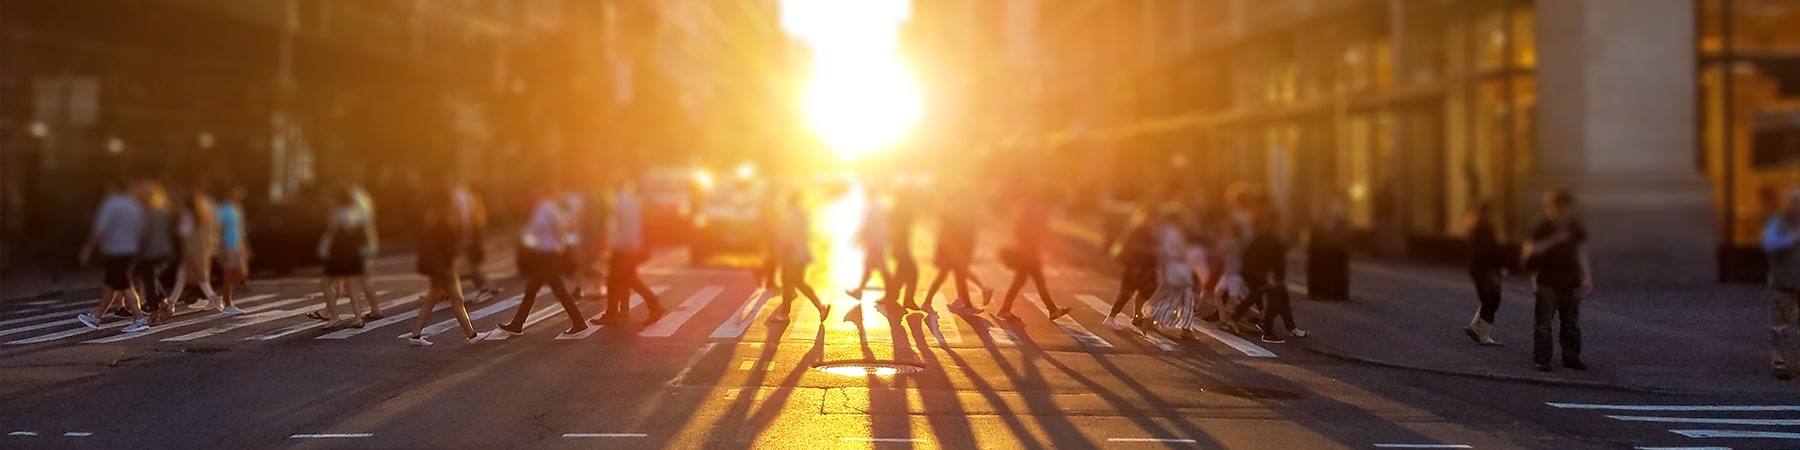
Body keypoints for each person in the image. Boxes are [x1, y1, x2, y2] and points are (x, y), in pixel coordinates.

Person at [495, 188, 589, 337]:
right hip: (551, 255)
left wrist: (526, 239)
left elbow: (533, 231)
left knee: (542, 291)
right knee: (538, 291)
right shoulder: (551, 208)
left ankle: (578, 322)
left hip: (545, 257)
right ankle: (518, 324)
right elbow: (560, 229)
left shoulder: (541, 210)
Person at [404, 189, 493, 346]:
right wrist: (458, 249)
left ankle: (415, 335)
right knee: (457, 299)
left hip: (438, 266)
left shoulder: (433, 220)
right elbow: (447, 246)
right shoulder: (443, 222)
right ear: (444, 205)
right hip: (445, 267)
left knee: (432, 299)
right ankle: (472, 335)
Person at [1523, 188, 1591, 372]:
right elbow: (1531, 250)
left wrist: (1586, 276)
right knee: (1544, 324)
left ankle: (1571, 358)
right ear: (1551, 208)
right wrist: (1556, 239)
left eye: (1568, 210)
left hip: (1571, 281)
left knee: (1572, 325)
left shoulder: (1575, 227)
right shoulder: (1541, 226)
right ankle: (1542, 359)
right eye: (1560, 210)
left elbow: (1580, 252)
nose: (1565, 214)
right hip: (1547, 281)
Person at [78, 181, 151, 333]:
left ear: (114, 188)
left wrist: (88, 248)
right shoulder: (135, 206)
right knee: (111, 286)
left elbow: (100, 228)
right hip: (131, 250)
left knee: (125, 285)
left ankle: (139, 319)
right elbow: (143, 230)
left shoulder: (111, 204)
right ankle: (96, 317)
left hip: (116, 251)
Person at [594, 180, 666, 326]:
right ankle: (614, 313)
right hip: (626, 246)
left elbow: (627, 224)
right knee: (623, 279)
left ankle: (653, 305)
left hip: (624, 248)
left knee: (621, 279)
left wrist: (626, 244)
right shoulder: (627, 199)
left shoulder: (622, 201)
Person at [995, 189, 1072, 322]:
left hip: (1028, 255)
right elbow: (1029, 236)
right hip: (1029, 256)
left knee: (1021, 282)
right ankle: (1051, 309)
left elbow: (1023, 234)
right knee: (1036, 282)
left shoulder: (1025, 216)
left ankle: (1006, 309)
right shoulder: (1029, 217)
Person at [1240, 208, 1305, 343]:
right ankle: (1267, 328)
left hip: (1269, 274)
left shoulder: (1269, 235)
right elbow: (1262, 259)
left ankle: (1290, 328)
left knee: (1282, 298)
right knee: (1277, 299)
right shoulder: (1264, 237)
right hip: (1264, 275)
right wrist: (1267, 277)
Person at [767, 191, 830, 324]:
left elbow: (788, 235)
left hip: (792, 254)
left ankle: (785, 314)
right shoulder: (802, 213)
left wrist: (782, 250)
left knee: (790, 282)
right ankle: (820, 307)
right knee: (797, 282)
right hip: (801, 253)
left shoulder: (791, 215)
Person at [921, 188, 986, 314]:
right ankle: (927, 302)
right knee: (945, 277)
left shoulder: (952, 213)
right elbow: (948, 235)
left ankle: (966, 306)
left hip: (952, 252)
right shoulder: (950, 214)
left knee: (958, 277)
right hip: (949, 253)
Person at [313, 189, 371, 330]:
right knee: (352, 285)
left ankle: (334, 317)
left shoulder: (337, 213)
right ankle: (358, 317)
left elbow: (331, 230)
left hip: (339, 254)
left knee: (325, 283)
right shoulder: (356, 211)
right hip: (354, 253)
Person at [1104, 198, 1160, 330]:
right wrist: (1150, 251)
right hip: (1136, 267)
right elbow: (1133, 247)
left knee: (1149, 289)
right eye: (1153, 217)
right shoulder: (1139, 229)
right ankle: (1110, 317)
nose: (1154, 221)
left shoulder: (1151, 231)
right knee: (1126, 292)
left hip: (1146, 267)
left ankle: (1138, 314)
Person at [1144, 206, 1200, 338]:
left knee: (1182, 297)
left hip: (1172, 267)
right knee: (1181, 298)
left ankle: (1186, 328)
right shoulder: (1173, 232)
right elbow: (1173, 251)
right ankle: (1154, 317)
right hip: (1177, 267)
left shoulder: (1165, 231)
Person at [1764, 188, 1800, 380]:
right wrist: (1791, 238)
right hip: (1783, 282)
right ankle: (1780, 364)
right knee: (1779, 327)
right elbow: (1769, 243)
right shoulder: (1779, 221)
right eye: (1795, 203)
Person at [166, 189, 222, 313]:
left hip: (190, 250)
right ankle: (171, 303)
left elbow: (183, 232)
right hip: (201, 250)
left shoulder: (187, 215)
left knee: (190, 277)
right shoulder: (202, 215)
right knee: (190, 277)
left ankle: (214, 299)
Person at [134, 182, 178, 322]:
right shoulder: (163, 211)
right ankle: (165, 304)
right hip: (164, 249)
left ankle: (154, 312)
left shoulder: (144, 213)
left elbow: (143, 233)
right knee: (153, 278)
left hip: (149, 252)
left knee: (149, 282)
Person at [1465, 200, 1507, 346]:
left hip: (1478, 268)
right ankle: (1483, 335)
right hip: (1487, 269)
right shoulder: (1485, 227)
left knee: (1488, 299)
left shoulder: (1474, 224)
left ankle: (1475, 327)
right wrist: (1500, 263)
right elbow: (1489, 250)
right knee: (1492, 300)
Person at [452, 185, 499, 303]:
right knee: (461, 264)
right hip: (470, 232)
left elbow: (464, 218)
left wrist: (465, 236)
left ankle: (484, 286)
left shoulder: (458, 196)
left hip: (463, 233)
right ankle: (488, 286)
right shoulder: (465, 194)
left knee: (465, 265)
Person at [213, 186, 251, 313]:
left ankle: (215, 296)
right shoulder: (222, 209)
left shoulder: (238, 208)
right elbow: (219, 229)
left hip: (237, 245)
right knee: (229, 275)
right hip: (227, 245)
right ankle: (228, 304)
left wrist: (245, 246)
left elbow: (241, 229)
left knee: (240, 275)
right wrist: (220, 247)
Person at [1306, 197, 1351, 301]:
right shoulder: (1318, 224)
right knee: (1321, 270)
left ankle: (1335, 292)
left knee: (1335, 271)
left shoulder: (1339, 222)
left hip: (1332, 250)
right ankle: (1322, 291)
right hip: (1323, 249)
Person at [887, 187, 921, 310]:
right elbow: (896, 229)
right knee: (913, 273)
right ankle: (906, 299)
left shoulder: (899, 209)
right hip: (901, 247)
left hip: (901, 246)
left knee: (901, 274)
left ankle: (892, 297)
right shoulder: (900, 210)